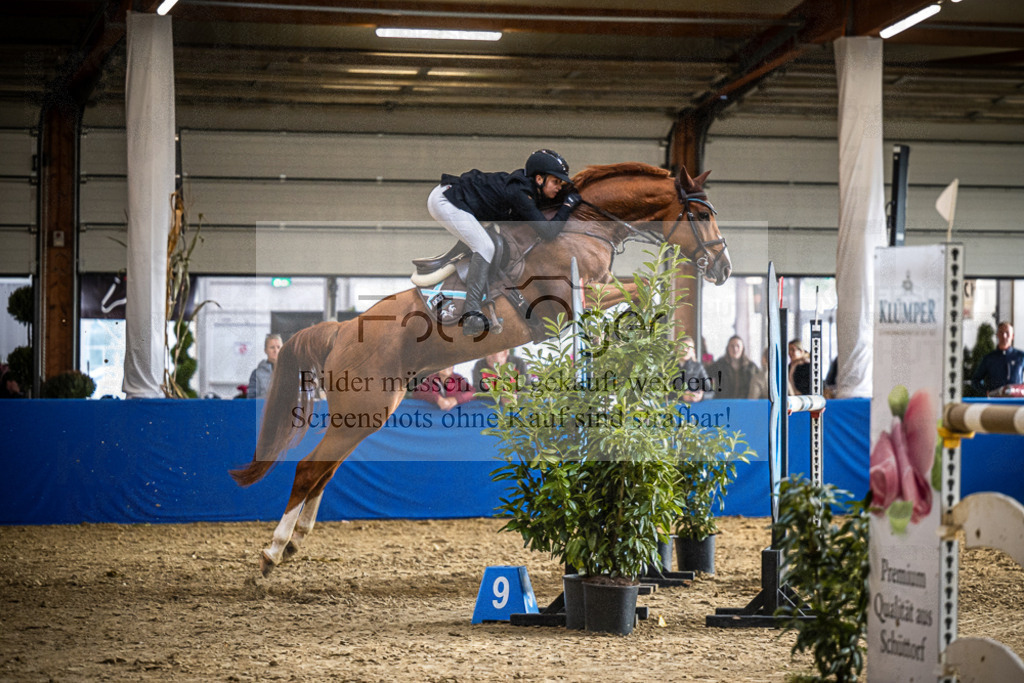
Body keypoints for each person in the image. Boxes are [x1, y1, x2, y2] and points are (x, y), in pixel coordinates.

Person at [427, 149, 582, 336]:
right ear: (539, 179)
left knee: (488, 244)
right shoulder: (520, 193)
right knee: (485, 247)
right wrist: (567, 206)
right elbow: (549, 232)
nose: (559, 187)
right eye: (556, 182)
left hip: (461, 201)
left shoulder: (529, 191)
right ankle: (471, 312)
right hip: (446, 201)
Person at [972, 321, 1024, 395]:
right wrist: (986, 392)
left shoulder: (1021, 356)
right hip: (995, 402)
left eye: (1007, 333)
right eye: (1001, 332)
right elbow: (975, 380)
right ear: (997, 335)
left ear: (1012, 336)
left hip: (1016, 401)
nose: (1004, 336)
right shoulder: (988, 358)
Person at [410, 366, 475, 411]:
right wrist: (437, 399)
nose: (447, 367)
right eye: (444, 364)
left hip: (456, 417)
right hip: (434, 418)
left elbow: (473, 393)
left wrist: (456, 399)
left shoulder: (458, 378)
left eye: (450, 364)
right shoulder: (430, 379)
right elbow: (417, 393)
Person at [672, 336, 710, 403]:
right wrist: (682, 396)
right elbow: (660, 391)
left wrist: (701, 396)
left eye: (688, 348)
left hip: (692, 407)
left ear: (693, 351)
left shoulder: (698, 367)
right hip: (671, 406)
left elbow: (710, 391)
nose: (685, 350)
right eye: (682, 347)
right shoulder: (667, 366)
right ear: (676, 349)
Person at [247, 333, 282, 399]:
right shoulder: (257, 373)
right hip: (264, 409)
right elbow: (251, 399)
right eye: (272, 347)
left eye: (278, 347)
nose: (276, 350)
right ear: (265, 350)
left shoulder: (290, 372)